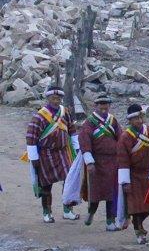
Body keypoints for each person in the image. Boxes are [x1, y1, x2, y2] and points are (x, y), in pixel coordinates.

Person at [24, 86, 80, 223]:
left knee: (69, 180)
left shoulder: (64, 112)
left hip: (63, 152)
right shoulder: (39, 116)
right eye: (53, 98)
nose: (56, 101)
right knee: (46, 185)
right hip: (45, 154)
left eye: (58, 98)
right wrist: (33, 157)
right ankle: (47, 213)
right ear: (48, 98)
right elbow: (31, 137)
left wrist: (76, 147)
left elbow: (72, 129)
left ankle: (68, 210)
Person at [78, 94, 122, 230]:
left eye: (106, 107)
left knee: (112, 193)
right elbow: (84, 141)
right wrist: (89, 162)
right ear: (96, 106)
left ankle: (110, 222)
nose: (104, 110)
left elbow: (120, 137)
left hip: (113, 162)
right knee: (95, 193)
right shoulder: (89, 122)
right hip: (96, 163)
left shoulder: (112, 120)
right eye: (101, 107)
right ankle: (91, 212)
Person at [117, 104, 149, 244]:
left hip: (148, 174)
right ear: (130, 121)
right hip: (133, 175)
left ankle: (138, 224)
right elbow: (123, 159)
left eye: (140, 117)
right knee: (136, 206)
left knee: (148, 205)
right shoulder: (125, 137)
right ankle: (139, 230)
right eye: (135, 119)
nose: (139, 121)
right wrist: (125, 181)